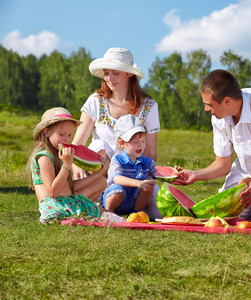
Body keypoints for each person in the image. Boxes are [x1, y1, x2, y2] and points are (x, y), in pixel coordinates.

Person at [174, 69, 251, 221]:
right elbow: (223, 163)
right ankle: (248, 212)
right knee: (219, 217)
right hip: (244, 173)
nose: (206, 109)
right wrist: (196, 175)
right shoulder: (218, 117)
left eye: (209, 105)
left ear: (227, 101)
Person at [71, 47, 160, 177]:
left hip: (131, 173)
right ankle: (100, 191)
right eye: (106, 73)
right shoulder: (96, 101)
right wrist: (75, 166)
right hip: (98, 174)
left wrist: (143, 179)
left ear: (129, 73)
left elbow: (151, 153)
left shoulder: (149, 105)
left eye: (115, 73)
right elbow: (77, 144)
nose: (109, 78)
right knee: (98, 144)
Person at [27, 107, 109, 223]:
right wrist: (66, 164)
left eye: (69, 135)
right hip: (56, 208)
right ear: (46, 132)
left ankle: (84, 209)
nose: (66, 139)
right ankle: (80, 211)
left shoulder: (59, 153)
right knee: (105, 214)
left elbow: (70, 188)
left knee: (101, 182)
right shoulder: (44, 157)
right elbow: (53, 192)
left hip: (66, 199)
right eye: (61, 134)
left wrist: (98, 175)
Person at [102, 114, 161, 218]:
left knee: (148, 187)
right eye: (135, 142)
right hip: (115, 197)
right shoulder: (117, 159)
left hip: (131, 200)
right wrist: (138, 183)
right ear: (122, 143)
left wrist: (176, 174)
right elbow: (116, 178)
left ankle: (133, 214)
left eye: (143, 141)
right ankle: (108, 213)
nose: (141, 145)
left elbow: (160, 174)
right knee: (118, 189)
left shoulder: (147, 162)